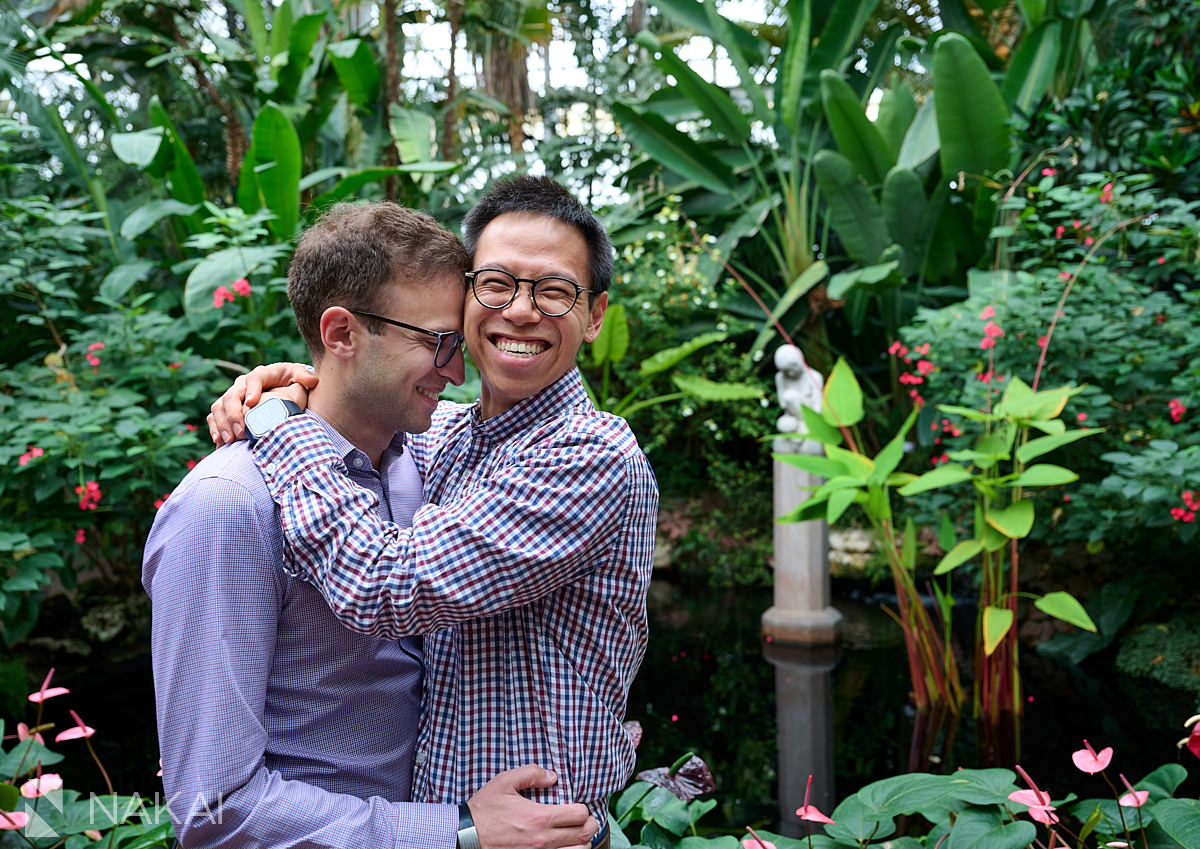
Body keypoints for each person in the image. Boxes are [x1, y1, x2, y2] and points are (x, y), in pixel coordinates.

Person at [208, 176, 659, 846]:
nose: (522, 310)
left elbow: (385, 584)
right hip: (443, 827)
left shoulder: (588, 454)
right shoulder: (441, 436)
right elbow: (364, 389)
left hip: (536, 835)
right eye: (498, 282)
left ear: (594, 315)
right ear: (466, 293)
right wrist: (296, 380)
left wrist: (280, 423)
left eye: (555, 290)